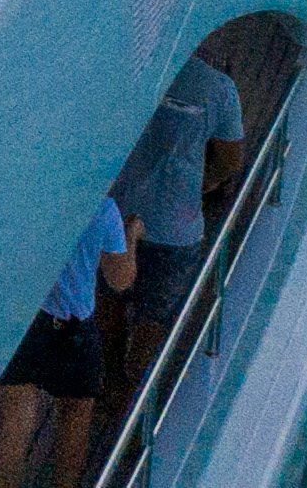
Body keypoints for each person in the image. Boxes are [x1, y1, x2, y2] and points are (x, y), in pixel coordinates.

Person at [112, 48, 253, 394]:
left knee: (110, 302)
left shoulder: (132, 65)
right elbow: (230, 161)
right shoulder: (218, 88)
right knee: (153, 320)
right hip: (176, 229)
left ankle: (110, 378)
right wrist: (204, 185)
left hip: (120, 214)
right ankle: (132, 390)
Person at [0, 196, 134, 488]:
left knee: (15, 422)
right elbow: (120, 279)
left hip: (27, 319)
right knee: (73, 421)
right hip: (74, 327)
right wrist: (132, 234)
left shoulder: (37, 195)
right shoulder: (103, 208)